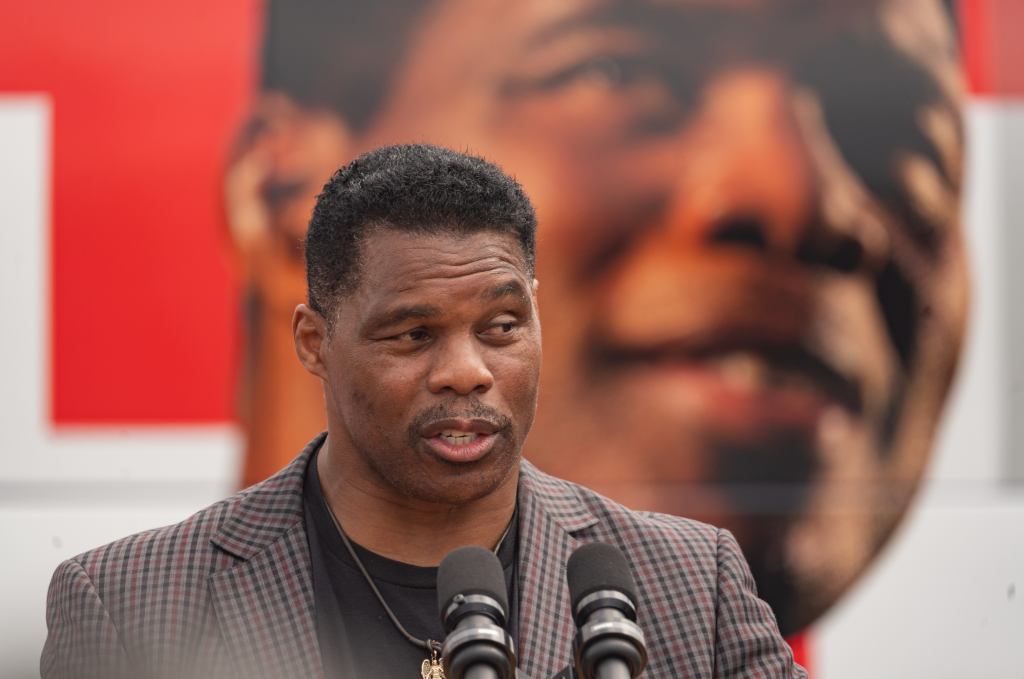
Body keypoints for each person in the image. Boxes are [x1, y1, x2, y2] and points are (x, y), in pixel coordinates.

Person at [225, 0, 967, 635]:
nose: (796, 197)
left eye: (902, 129)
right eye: (614, 72)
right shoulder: (131, 617)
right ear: (291, 196)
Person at [42, 145, 805, 679]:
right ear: (314, 341)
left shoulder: (689, 583)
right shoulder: (131, 601)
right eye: (413, 334)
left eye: (501, 328)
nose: (467, 372)